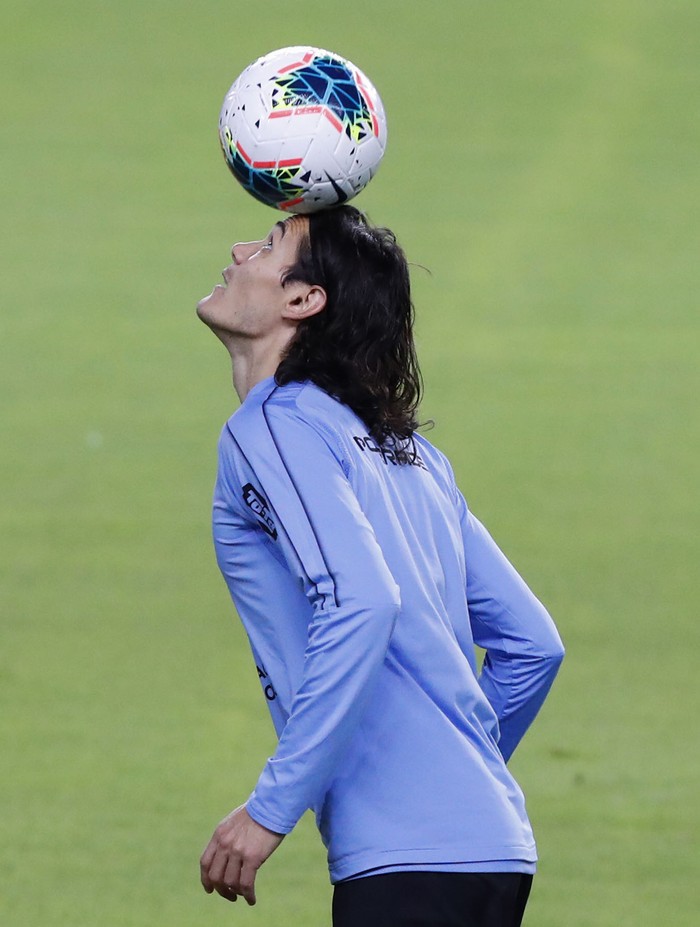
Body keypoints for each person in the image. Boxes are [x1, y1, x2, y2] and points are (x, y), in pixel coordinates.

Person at [196, 205, 564, 927]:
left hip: (407, 870)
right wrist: (454, 771)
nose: (241, 248)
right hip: (495, 850)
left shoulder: (272, 425)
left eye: (270, 245)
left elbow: (362, 601)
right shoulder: (415, 458)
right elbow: (532, 644)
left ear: (303, 299)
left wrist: (271, 809)